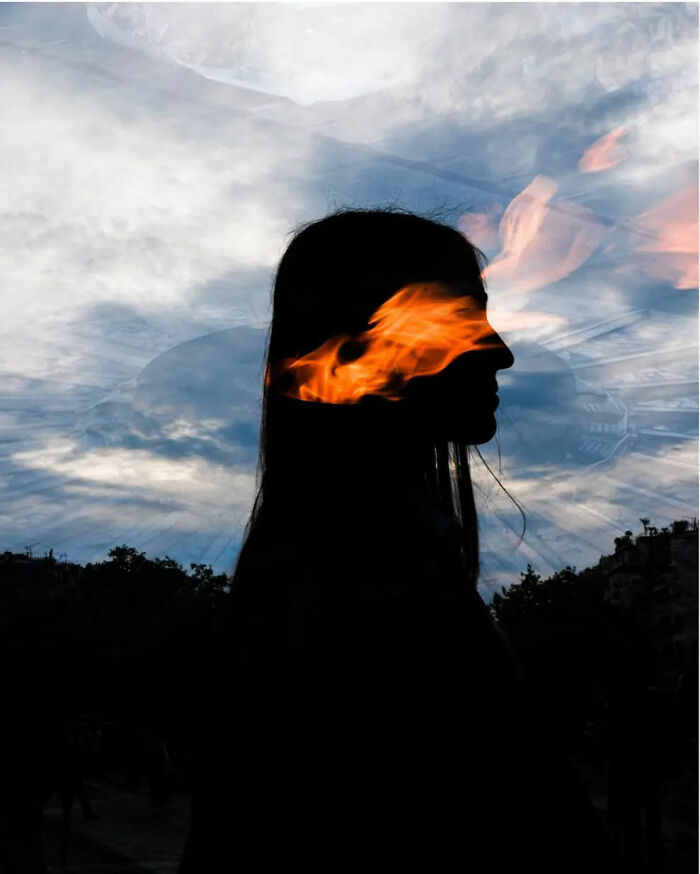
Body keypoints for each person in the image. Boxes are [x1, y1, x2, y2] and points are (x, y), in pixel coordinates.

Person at [178, 209, 622, 873]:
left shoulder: (336, 565)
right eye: (458, 318)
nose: (500, 350)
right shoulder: (373, 584)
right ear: (358, 351)